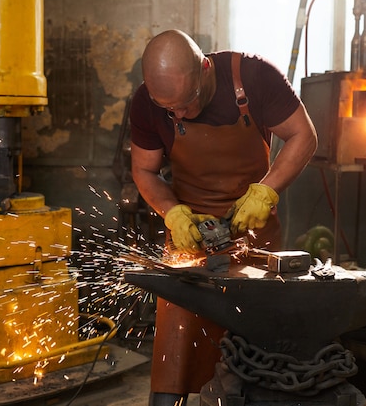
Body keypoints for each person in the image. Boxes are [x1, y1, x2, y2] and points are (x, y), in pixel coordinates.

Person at [129, 29, 318, 406]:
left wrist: (267, 190)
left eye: (186, 102)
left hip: (255, 239)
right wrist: (173, 213)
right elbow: (145, 171)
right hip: (189, 245)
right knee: (177, 345)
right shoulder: (148, 104)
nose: (179, 114)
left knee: (255, 354)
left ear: (204, 68)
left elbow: (304, 136)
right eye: (171, 110)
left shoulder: (254, 78)